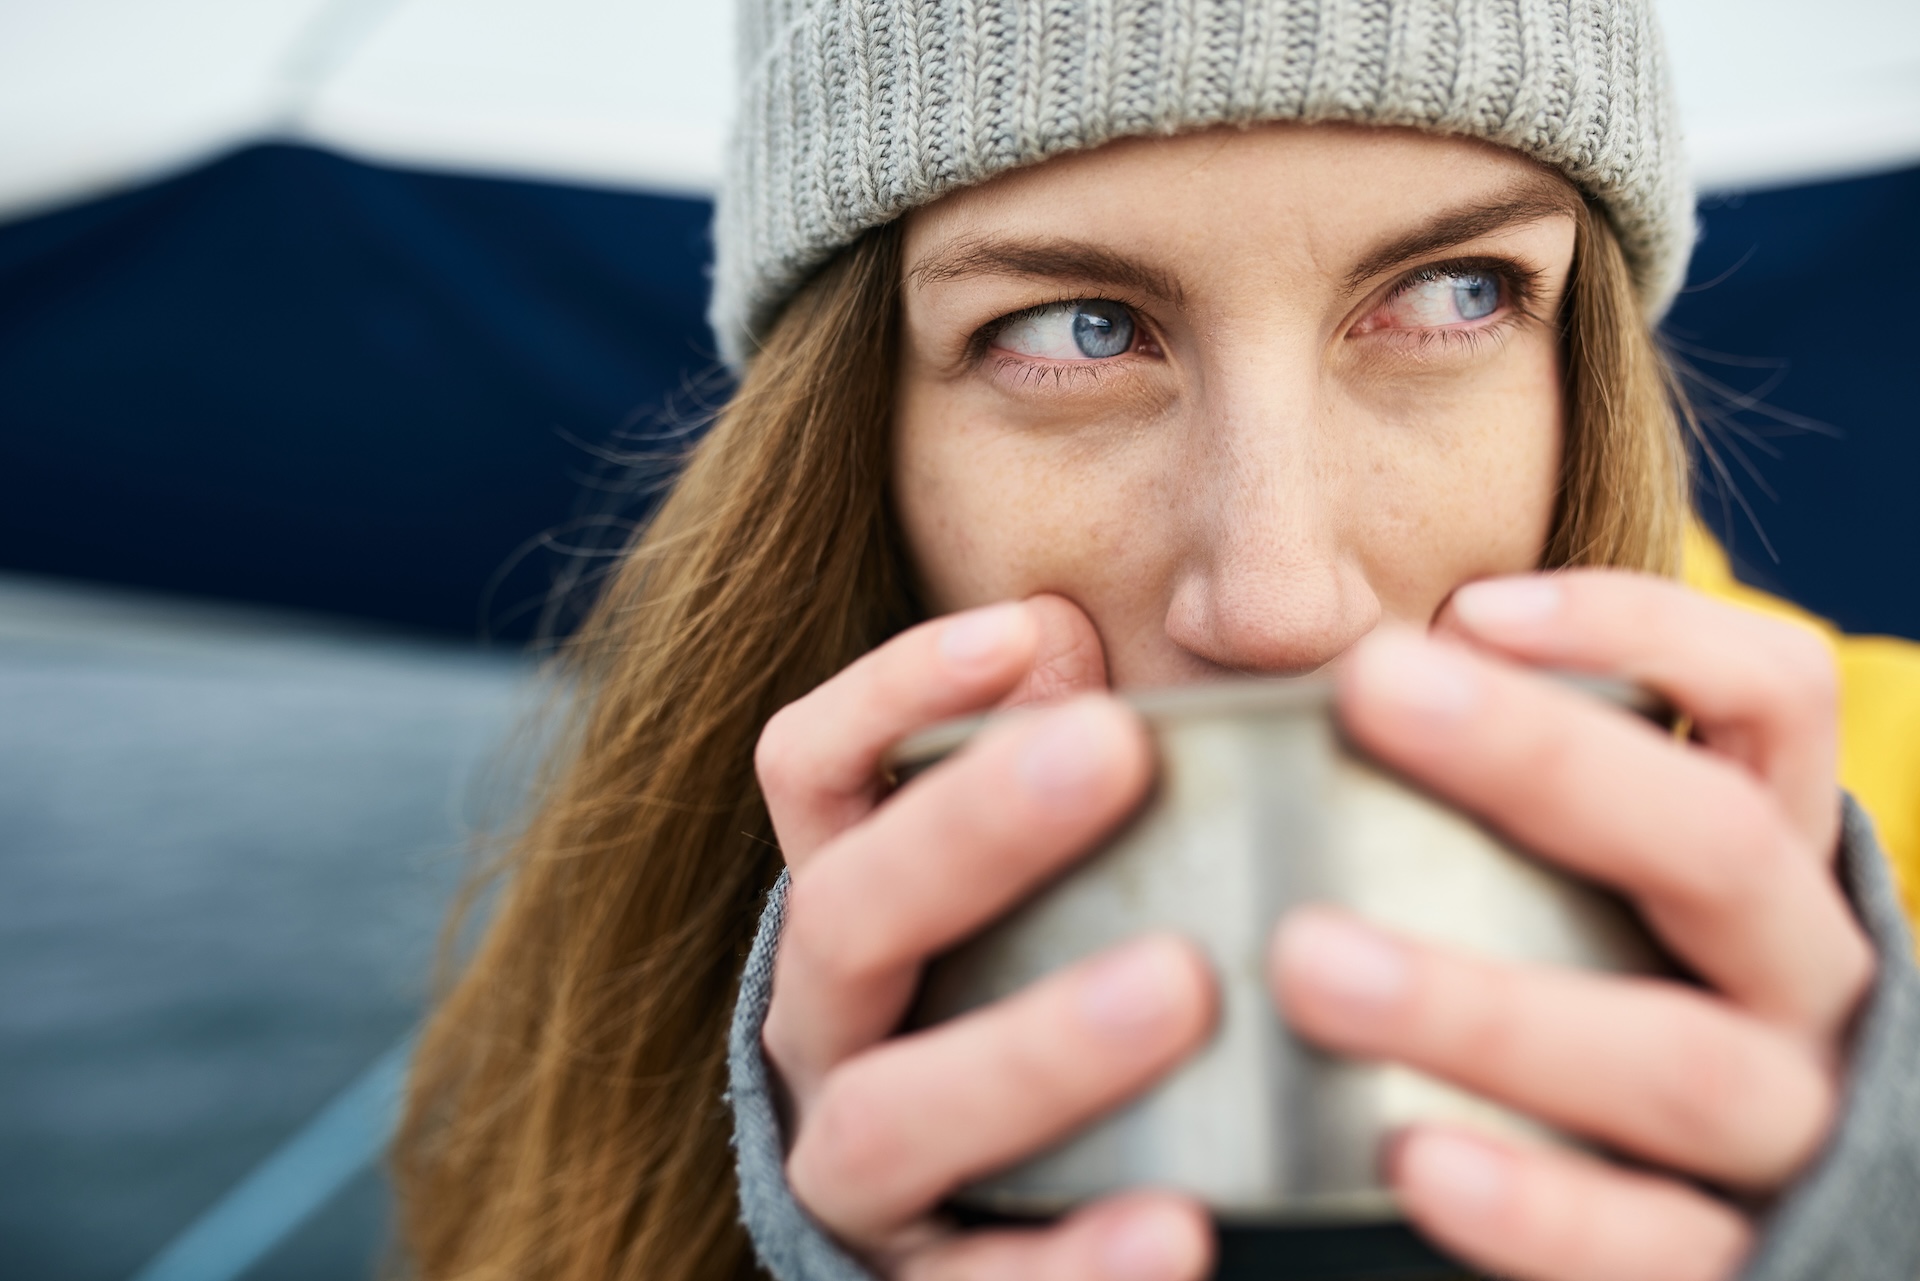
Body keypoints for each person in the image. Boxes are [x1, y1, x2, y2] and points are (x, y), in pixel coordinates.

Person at [393, 3, 1920, 1280]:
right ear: (855, 444)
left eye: (1455, 293)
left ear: (1579, 359)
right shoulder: (604, 1074)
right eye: (1076, 328)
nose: (1277, 604)